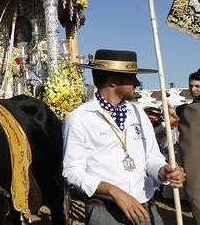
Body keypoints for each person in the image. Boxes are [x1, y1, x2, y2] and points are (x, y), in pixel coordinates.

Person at [63, 49, 186, 225]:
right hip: (106, 213)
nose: (137, 82)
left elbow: (152, 158)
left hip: (146, 210)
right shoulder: (79, 119)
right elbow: (72, 172)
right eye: (131, 77)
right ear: (113, 82)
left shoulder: (138, 113)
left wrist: (164, 171)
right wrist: (114, 192)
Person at [177, 68, 200, 224]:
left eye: (198, 86)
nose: (193, 89)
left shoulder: (189, 110)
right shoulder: (189, 110)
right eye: (191, 86)